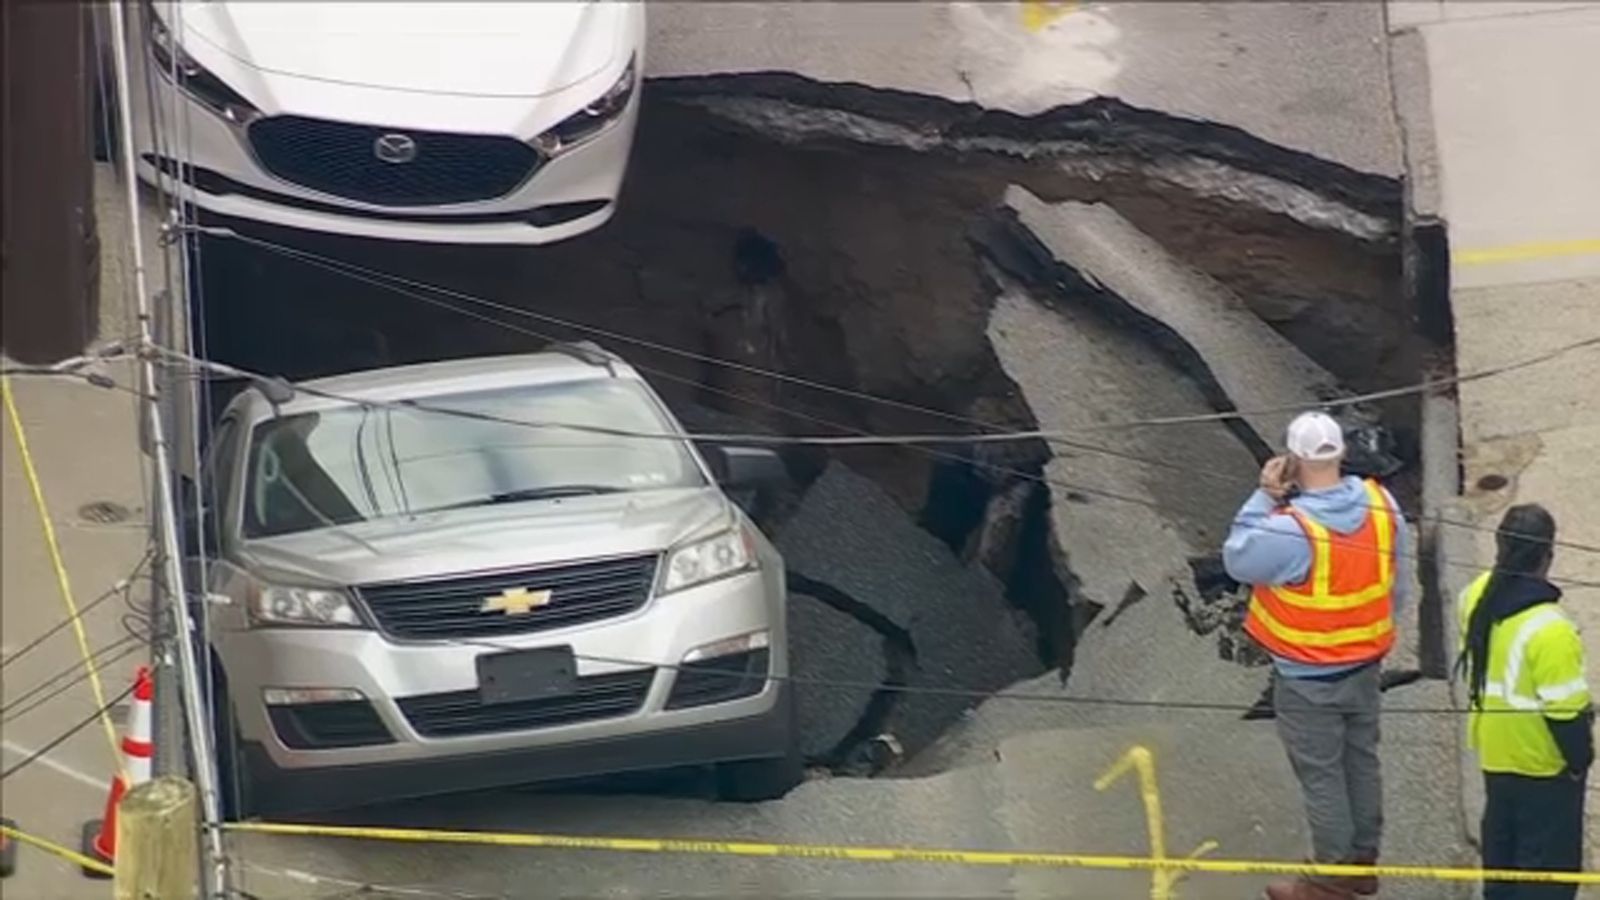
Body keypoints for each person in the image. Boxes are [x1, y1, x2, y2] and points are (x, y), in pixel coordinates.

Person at [1223, 411, 1411, 900]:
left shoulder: (1293, 530)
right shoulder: (1381, 502)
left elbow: (1238, 557)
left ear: (1293, 461)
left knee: (1322, 776)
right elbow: (1399, 586)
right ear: (1341, 453)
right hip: (1365, 664)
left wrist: (1265, 494)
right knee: (1361, 762)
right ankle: (1362, 862)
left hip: (1308, 676)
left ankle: (1330, 880)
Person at [1458, 504, 1592, 900]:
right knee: (1546, 877)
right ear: (1547, 556)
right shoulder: (1551, 629)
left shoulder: (1476, 596)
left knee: (1502, 860)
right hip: (1542, 766)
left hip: (1495, 753)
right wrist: (1579, 761)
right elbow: (1566, 714)